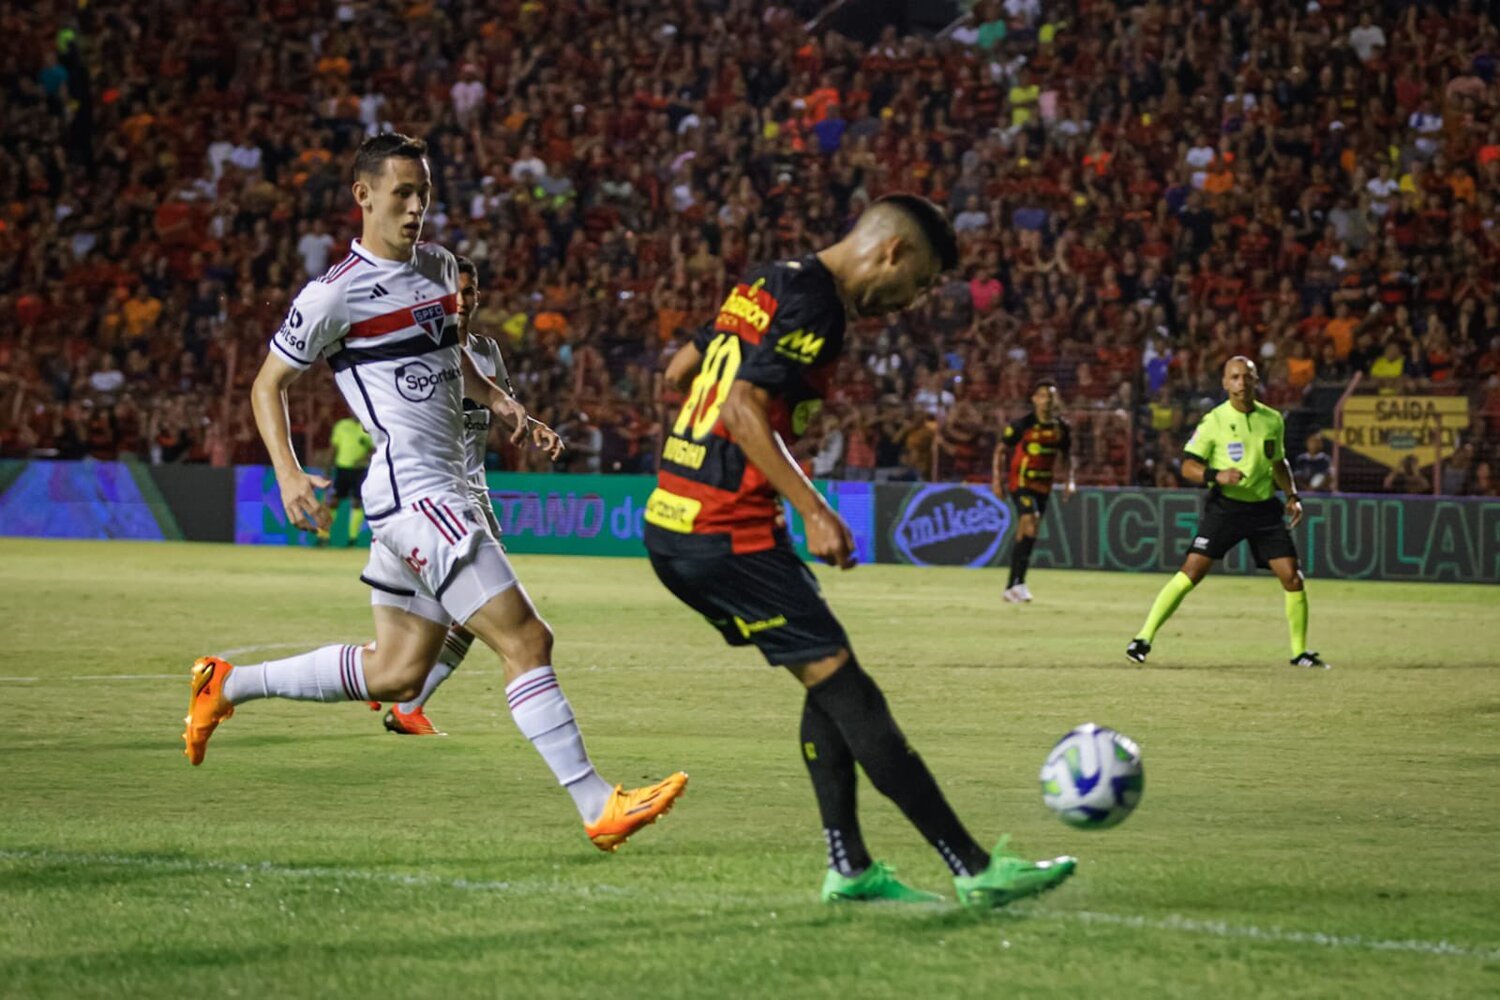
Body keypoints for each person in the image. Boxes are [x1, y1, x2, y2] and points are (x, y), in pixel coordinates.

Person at [182, 133, 687, 852]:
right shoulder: (333, 295)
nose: (417, 207)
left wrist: (503, 403)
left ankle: (225, 684)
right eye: (402, 194)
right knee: (527, 638)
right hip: (416, 494)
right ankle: (598, 803)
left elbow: (449, 352)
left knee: (397, 672)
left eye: (424, 194)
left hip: (444, 487)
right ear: (364, 197)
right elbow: (268, 385)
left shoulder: (442, 268)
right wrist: (290, 472)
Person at [645, 194, 1076, 907]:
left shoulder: (766, 280)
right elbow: (741, 407)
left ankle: (849, 868)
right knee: (854, 694)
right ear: (892, 252)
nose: (912, 301)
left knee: (829, 679)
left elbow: (679, 371)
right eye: (922, 283)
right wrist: (812, 508)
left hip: (677, 514)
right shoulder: (818, 302)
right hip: (725, 529)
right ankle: (973, 868)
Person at [373, 254, 565, 736]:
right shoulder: (418, 350)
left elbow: (502, 405)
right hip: (436, 495)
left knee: (450, 612)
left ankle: (396, 683)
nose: (463, 301)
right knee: (486, 614)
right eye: (454, 292)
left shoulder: (487, 351)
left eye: (470, 291)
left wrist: (533, 425)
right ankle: (403, 694)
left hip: (475, 492)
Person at [1127, 357, 1328, 669]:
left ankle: (1299, 652)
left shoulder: (1272, 419)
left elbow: (1278, 462)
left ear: (1256, 380)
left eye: (1247, 377)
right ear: (1224, 383)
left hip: (1264, 510)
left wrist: (1292, 495)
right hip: (1227, 508)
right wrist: (1216, 475)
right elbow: (1188, 466)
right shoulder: (1214, 421)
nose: (1241, 383)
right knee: (1191, 571)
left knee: (1292, 577)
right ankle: (1143, 638)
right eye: (1234, 377)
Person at [991, 378, 1074, 603]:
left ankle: (1013, 585)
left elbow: (1066, 457)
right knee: (1031, 521)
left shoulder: (1061, 428)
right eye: (1043, 396)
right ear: (1034, 399)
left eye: (1051, 396)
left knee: (1026, 532)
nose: (1047, 400)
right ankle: (1019, 584)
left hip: (1043, 485)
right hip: (1021, 483)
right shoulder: (1023, 425)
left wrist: (1069, 481)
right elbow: (1000, 450)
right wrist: (997, 480)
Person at [318, 413, 373, 546]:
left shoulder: (368, 427)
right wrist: (327, 467)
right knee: (333, 502)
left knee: (356, 503)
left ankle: (352, 538)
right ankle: (323, 536)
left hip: (360, 471)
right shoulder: (342, 426)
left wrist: (364, 459)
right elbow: (334, 447)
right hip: (342, 469)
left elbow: (374, 450)